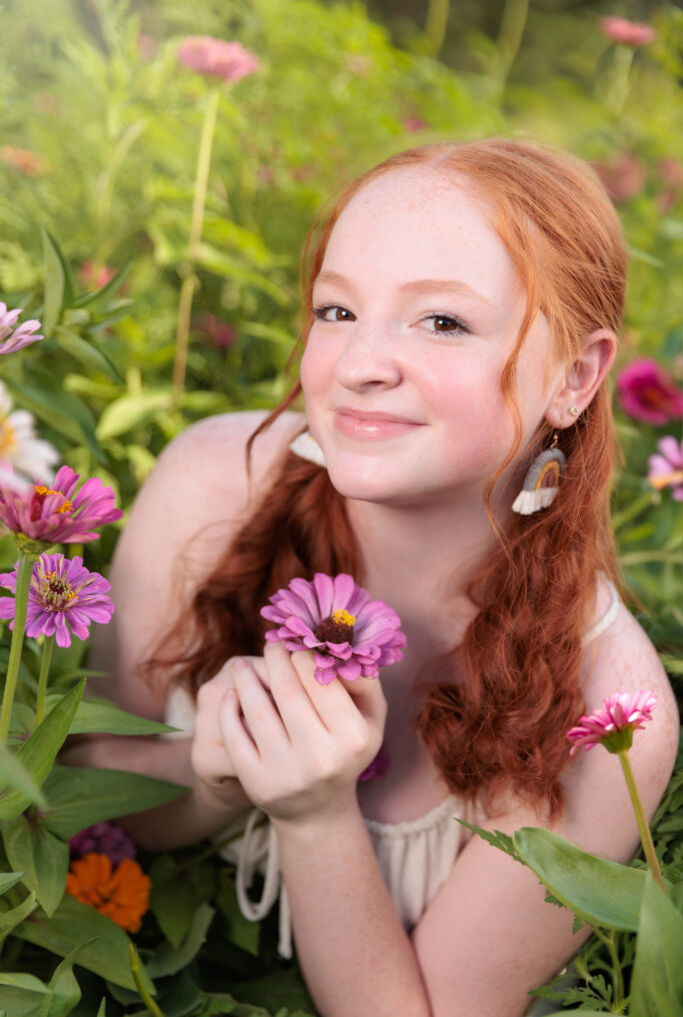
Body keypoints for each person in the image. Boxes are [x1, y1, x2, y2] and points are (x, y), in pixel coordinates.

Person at [73, 139, 679, 1017]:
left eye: (441, 322)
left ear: (575, 378)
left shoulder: (610, 709)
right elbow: (81, 790)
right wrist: (210, 782)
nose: (358, 364)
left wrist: (316, 816)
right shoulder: (214, 485)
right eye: (335, 310)